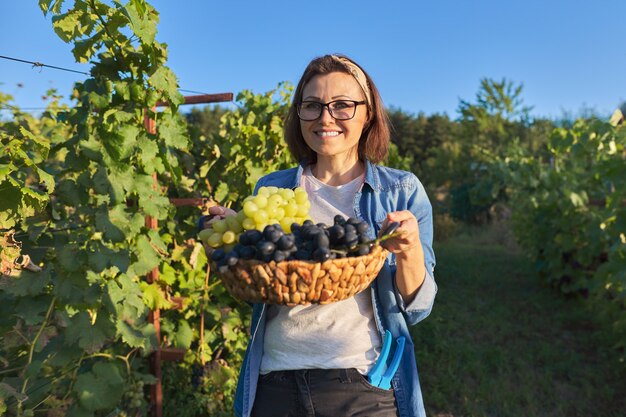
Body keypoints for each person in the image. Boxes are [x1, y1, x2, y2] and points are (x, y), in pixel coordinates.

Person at [204, 54, 436, 417]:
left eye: (342, 105)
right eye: (312, 106)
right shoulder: (273, 187)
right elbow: (264, 285)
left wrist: (408, 251)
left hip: (360, 384)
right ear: (299, 115)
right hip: (274, 380)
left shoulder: (400, 190)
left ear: (368, 113)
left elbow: (417, 307)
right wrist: (241, 236)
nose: (325, 117)